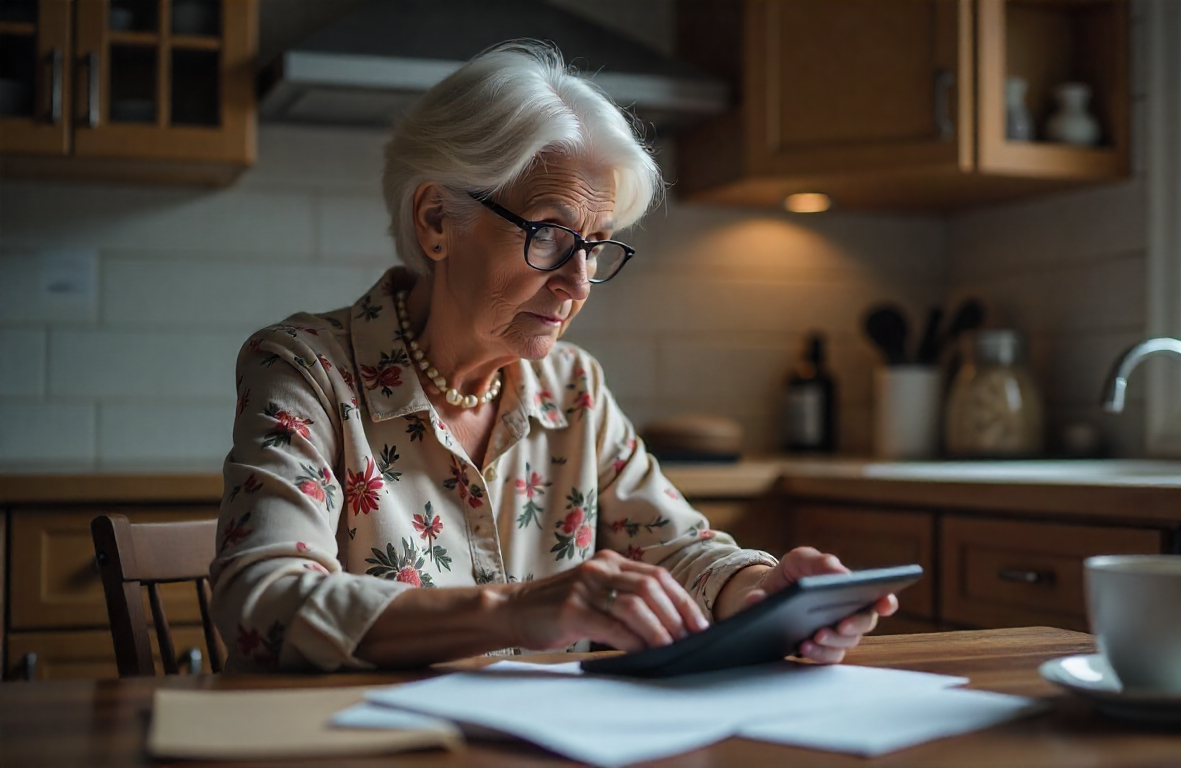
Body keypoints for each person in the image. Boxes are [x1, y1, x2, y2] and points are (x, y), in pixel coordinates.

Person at [210, 40, 898, 672]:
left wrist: (763, 591)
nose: (578, 283)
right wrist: (516, 610)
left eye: (595, 245)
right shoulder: (307, 370)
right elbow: (262, 602)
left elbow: (679, 551)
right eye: (548, 233)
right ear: (436, 220)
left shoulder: (571, 386)